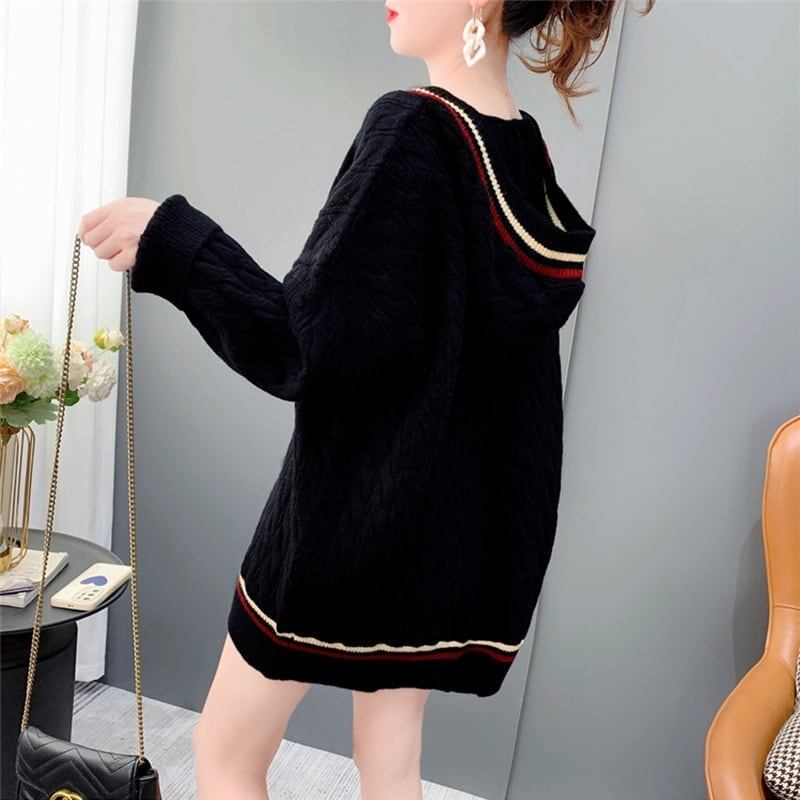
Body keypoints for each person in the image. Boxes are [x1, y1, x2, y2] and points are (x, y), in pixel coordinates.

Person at [78, 1, 653, 798]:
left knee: (226, 751)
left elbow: (300, 345)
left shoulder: (412, 130)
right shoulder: (521, 148)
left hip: (351, 521)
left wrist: (172, 239)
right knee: (390, 758)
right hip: (455, 540)